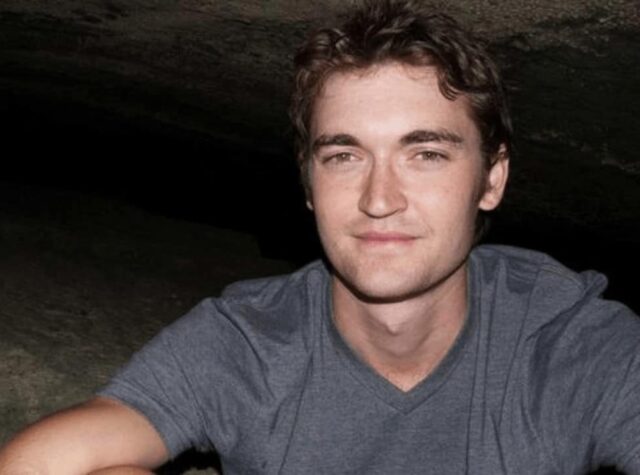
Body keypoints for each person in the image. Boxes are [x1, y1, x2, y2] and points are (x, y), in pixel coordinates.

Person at [1, 0, 639, 474]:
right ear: (309, 183)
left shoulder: (565, 341)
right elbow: (36, 462)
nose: (379, 199)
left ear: (491, 179)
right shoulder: (251, 342)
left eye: (426, 155)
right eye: (344, 156)